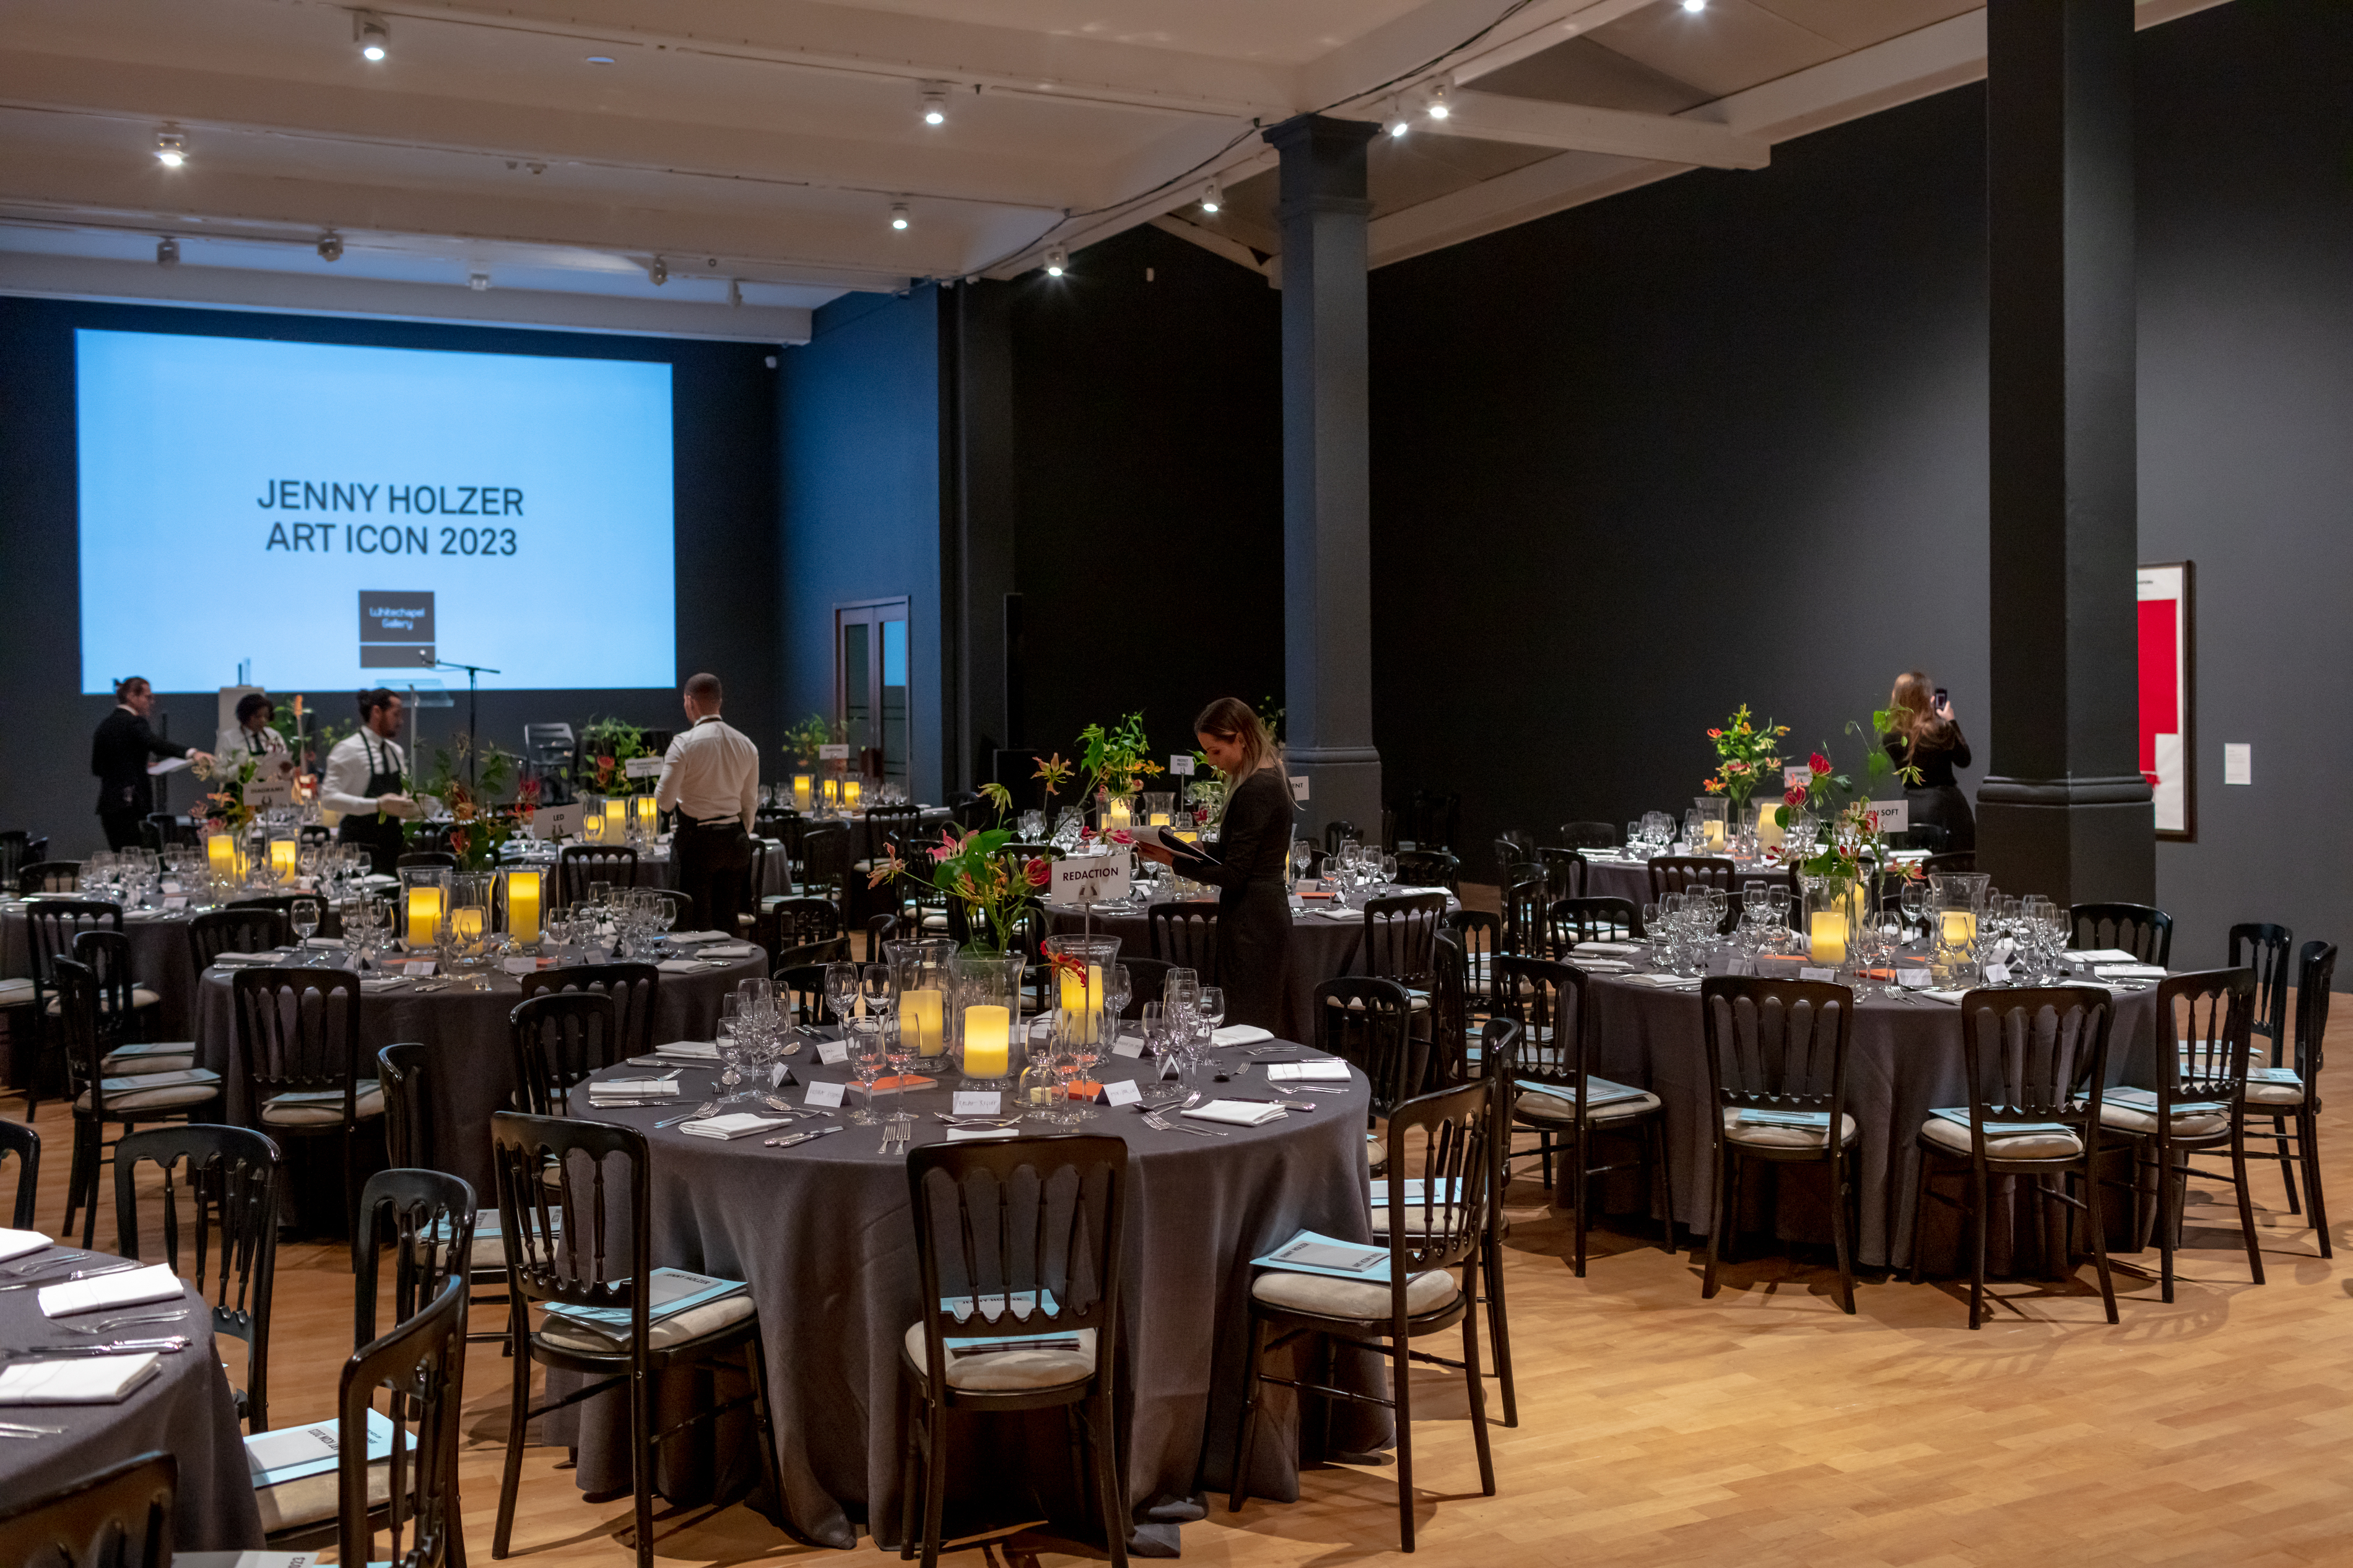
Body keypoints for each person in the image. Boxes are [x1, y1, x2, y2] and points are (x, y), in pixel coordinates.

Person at [1134, 697, 1295, 1035]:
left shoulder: (1257, 788)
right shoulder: (1267, 778)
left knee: (1247, 1026)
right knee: (1249, 1021)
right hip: (1260, 915)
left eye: (1216, 751)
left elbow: (1235, 876)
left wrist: (1173, 860)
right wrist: (1202, 849)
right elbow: (1240, 852)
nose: (1211, 761)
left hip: (1254, 923)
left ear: (1241, 738)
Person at [654, 672, 759, 934]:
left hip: (697, 843)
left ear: (690, 702)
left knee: (693, 927)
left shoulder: (683, 744)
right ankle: (733, 974)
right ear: (719, 702)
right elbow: (750, 804)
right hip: (735, 843)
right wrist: (735, 833)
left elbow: (665, 802)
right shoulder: (747, 744)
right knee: (728, 923)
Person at [91, 677, 212, 851]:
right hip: (131, 805)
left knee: (121, 857)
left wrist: (138, 766)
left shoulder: (105, 725)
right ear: (133, 697)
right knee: (138, 858)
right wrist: (192, 753)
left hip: (109, 806)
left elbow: (98, 768)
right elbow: (156, 744)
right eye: (148, 697)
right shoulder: (134, 722)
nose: (152, 702)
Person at [322, 688, 420, 875]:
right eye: (396, 714)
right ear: (377, 712)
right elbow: (328, 798)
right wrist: (378, 805)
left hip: (393, 849)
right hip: (358, 852)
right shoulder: (348, 750)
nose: (401, 722)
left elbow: (404, 793)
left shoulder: (395, 751)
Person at [1884, 670, 1975, 852]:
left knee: (1910, 871)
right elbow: (1964, 759)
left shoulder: (1891, 738)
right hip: (1946, 809)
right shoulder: (1940, 731)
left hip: (1909, 809)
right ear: (1926, 699)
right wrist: (1951, 721)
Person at [215, 692, 290, 765]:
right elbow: (219, 772)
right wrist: (240, 768)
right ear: (246, 716)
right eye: (258, 716)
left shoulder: (274, 735)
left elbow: (284, 761)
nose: (263, 720)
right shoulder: (228, 738)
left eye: (266, 716)